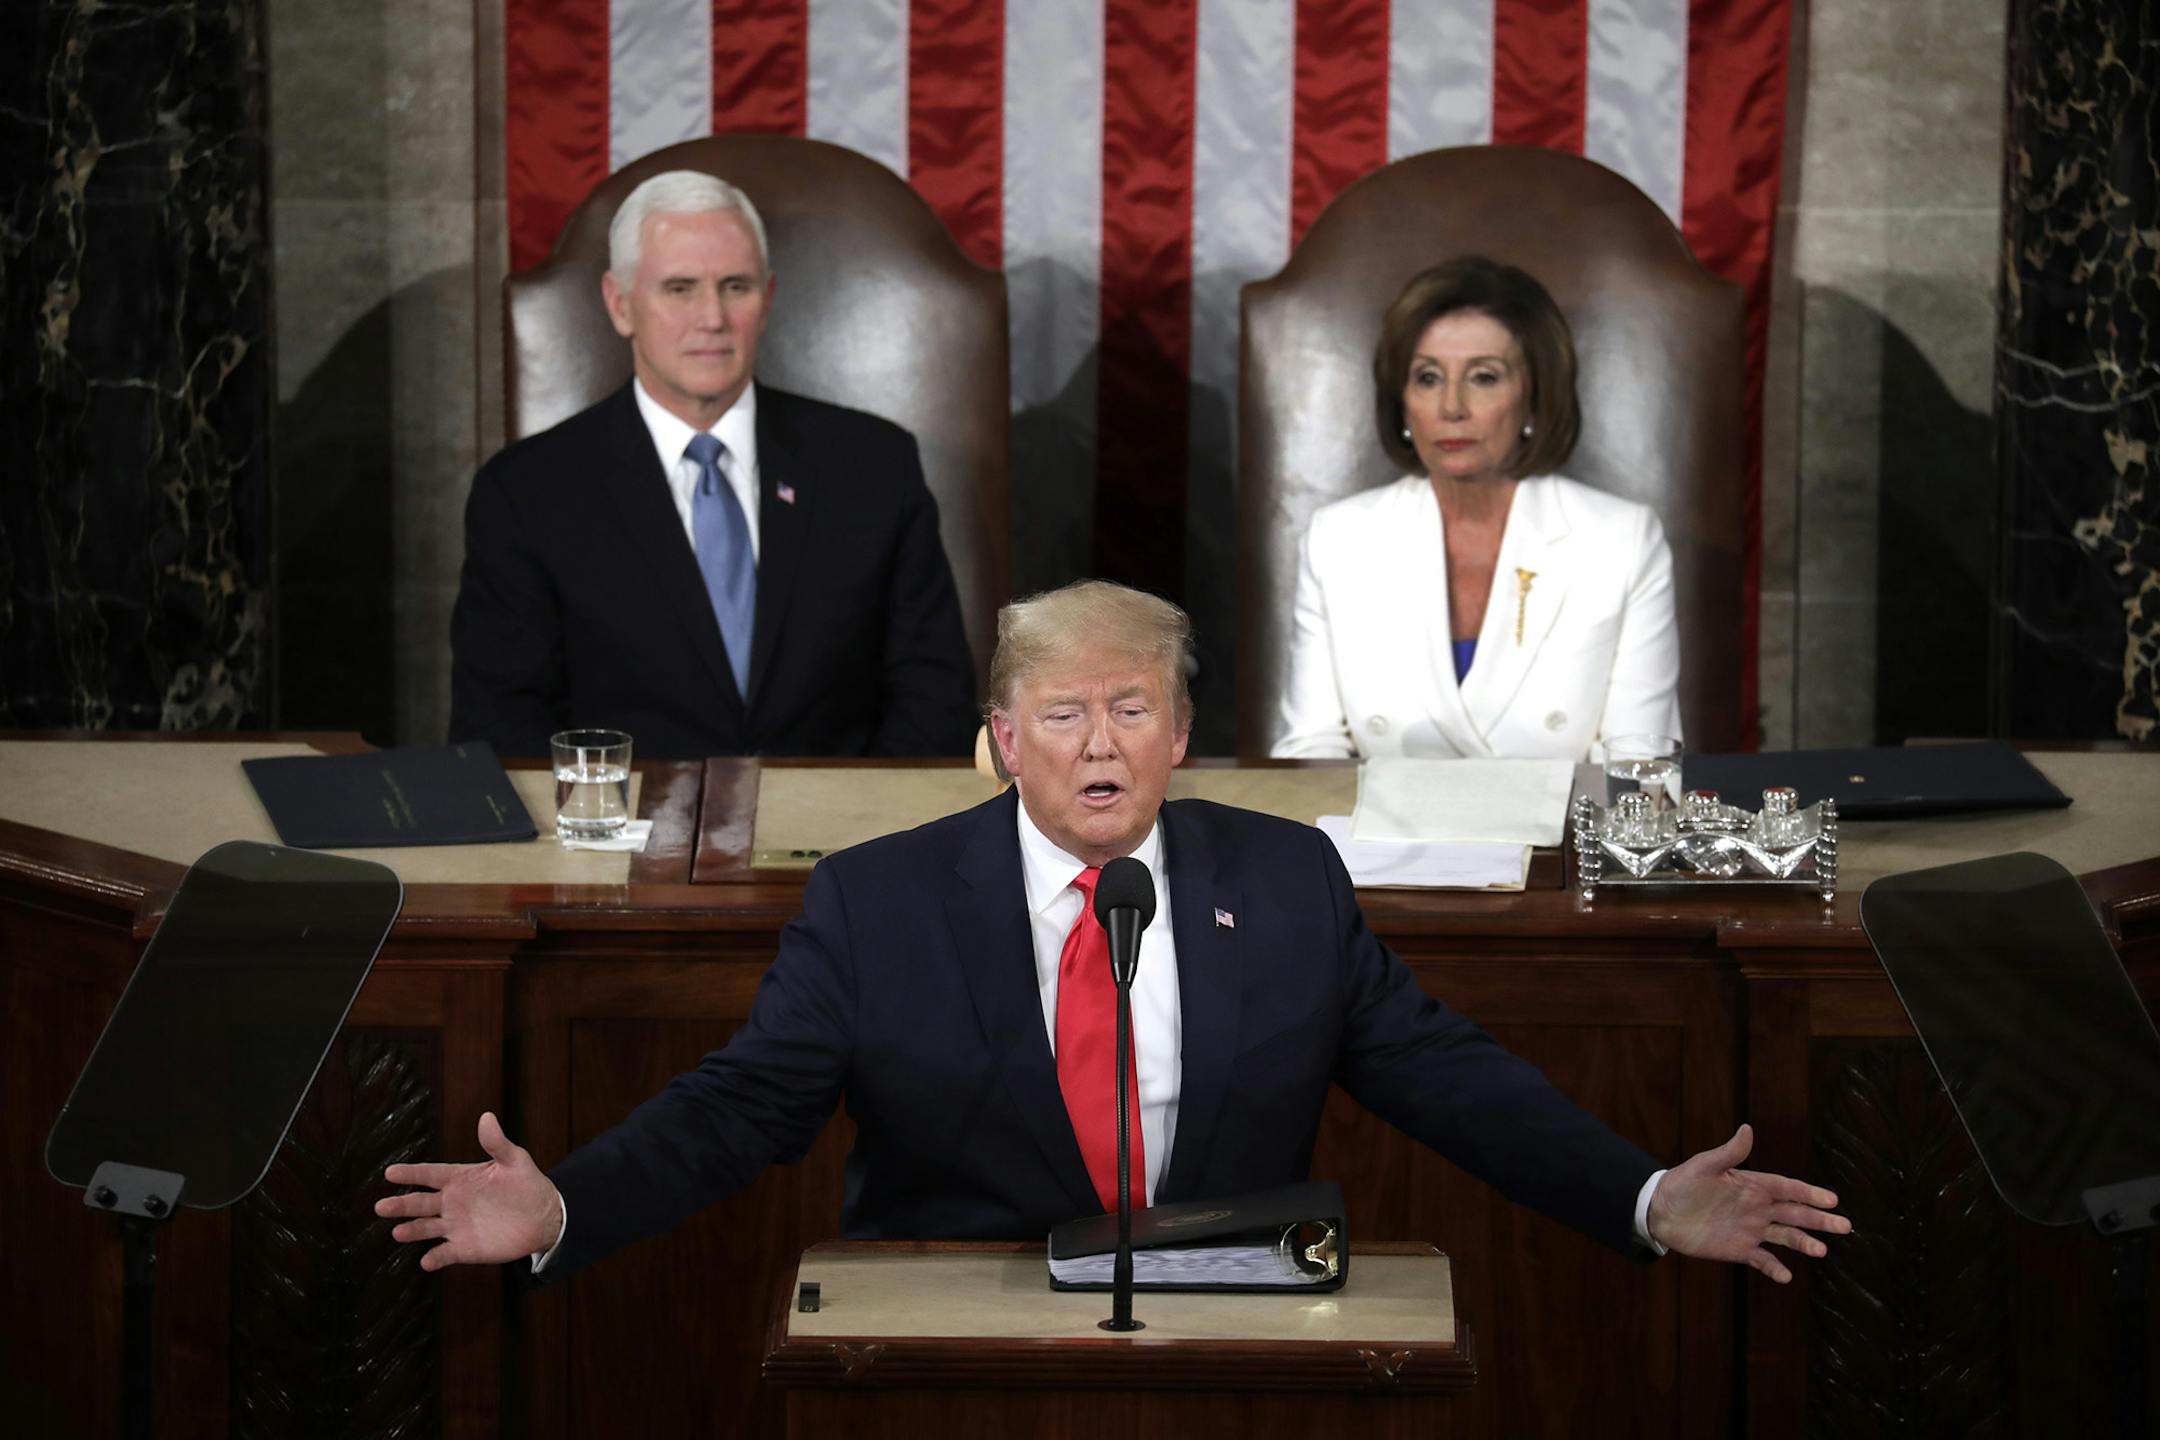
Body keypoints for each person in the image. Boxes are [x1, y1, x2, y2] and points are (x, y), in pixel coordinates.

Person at [381, 580, 1847, 1287]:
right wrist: (563, 1205)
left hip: (1232, 1310)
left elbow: (1452, 1081)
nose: (1102, 744)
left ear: (1181, 734)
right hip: (962, 1310)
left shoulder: (1282, 884)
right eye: (1067, 714)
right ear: (1002, 741)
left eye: (1133, 709)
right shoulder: (879, 903)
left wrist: (1646, 1198)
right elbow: (740, 1110)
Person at [448, 170, 978, 760]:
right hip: (616, 840)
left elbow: (934, 701)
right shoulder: (526, 493)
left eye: (735, 286)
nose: (712, 318)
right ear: (619, 304)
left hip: (843, 840)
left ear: (768, 299)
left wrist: (864, 841)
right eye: (679, 288)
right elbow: (500, 728)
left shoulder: (874, 466)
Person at [1272, 256, 1683, 761]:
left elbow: (1637, 768)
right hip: (1380, 838)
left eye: (1483, 377)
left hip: (1560, 838)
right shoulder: (1339, 538)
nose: (1451, 407)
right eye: (1427, 378)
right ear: (1401, 402)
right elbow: (1312, 752)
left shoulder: (1620, 540)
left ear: (1534, 398)